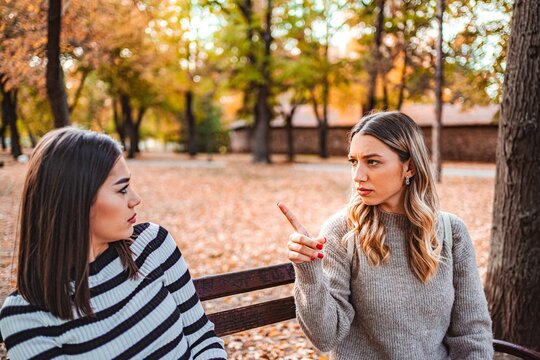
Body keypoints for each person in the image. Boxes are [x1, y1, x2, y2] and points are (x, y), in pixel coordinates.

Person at [278, 111, 493, 359]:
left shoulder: (451, 232)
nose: (358, 176)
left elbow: (472, 333)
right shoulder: (342, 233)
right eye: (353, 161)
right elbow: (326, 337)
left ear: (409, 166)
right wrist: (309, 270)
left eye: (372, 162)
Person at [0, 128, 227, 359]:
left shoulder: (153, 245)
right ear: (77, 202)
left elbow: (202, 338)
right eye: (122, 189)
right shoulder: (25, 318)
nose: (136, 199)